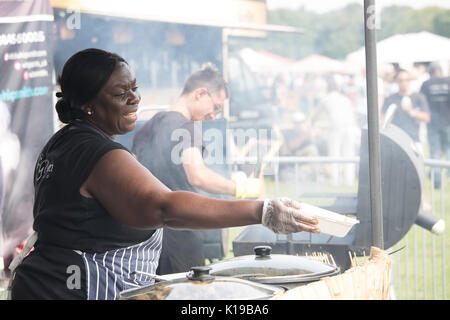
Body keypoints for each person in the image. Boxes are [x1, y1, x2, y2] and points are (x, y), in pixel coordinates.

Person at [9, 48, 319, 300]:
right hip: (81, 290)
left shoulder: (63, 141)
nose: (135, 98)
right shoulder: (96, 153)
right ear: (88, 104)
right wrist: (260, 209)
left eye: (135, 88)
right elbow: (164, 207)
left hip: (45, 284)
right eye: (120, 93)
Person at [131, 63, 264, 275]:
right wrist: (241, 188)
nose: (214, 115)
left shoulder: (146, 127)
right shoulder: (187, 127)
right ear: (201, 93)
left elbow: (132, 178)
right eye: (216, 107)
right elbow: (198, 176)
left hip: (146, 238)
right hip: (180, 233)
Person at [381, 69, 430, 154]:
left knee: (418, 166)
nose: (404, 83)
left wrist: (411, 112)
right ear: (396, 81)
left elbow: (427, 118)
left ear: (410, 81)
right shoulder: (391, 99)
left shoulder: (418, 97)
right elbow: (382, 119)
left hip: (414, 140)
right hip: (395, 140)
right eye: (401, 80)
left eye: (407, 80)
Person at [420, 62, 450, 188]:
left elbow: (421, 102)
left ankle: (437, 183)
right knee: (448, 149)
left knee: (434, 151)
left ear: (430, 72)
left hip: (432, 122)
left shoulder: (426, 85)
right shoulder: (448, 82)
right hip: (447, 121)